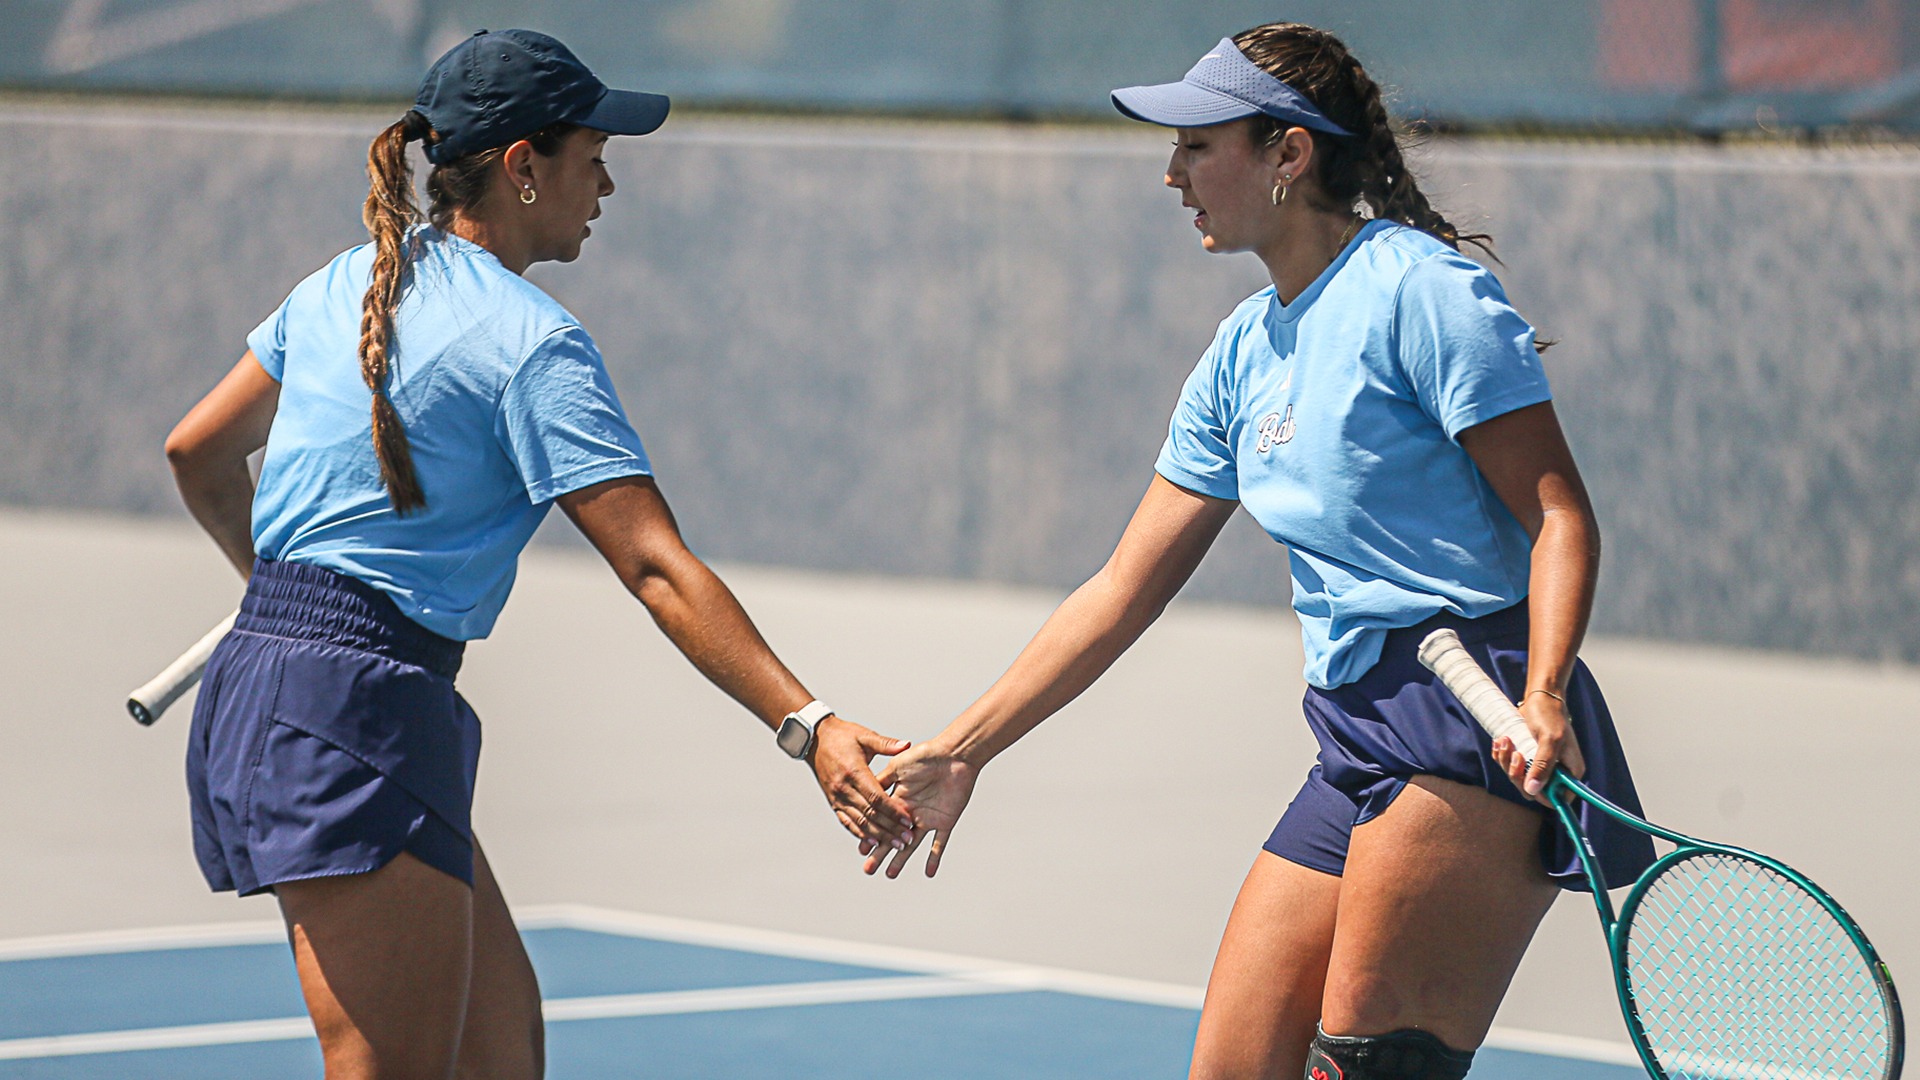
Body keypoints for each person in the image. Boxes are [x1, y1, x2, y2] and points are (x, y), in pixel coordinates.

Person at [861, 23, 1656, 1080]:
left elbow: (1561, 516)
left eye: (1198, 144)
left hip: (1476, 718)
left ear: (1288, 155)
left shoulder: (1420, 293)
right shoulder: (1244, 350)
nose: (1172, 171)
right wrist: (964, 749)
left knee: (1369, 1068)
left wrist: (1547, 693)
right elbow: (1122, 588)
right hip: (1354, 728)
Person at [163, 29, 914, 1079]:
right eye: (591, 153)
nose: (607, 180)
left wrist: (280, 596)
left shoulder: (344, 284)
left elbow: (195, 453)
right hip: (356, 705)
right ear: (523, 168)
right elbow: (655, 566)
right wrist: (809, 725)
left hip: (296, 686)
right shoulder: (533, 343)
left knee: (497, 1050)